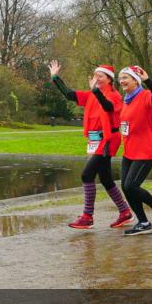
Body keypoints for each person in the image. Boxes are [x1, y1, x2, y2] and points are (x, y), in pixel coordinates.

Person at [49, 61, 132, 230]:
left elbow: (108, 107)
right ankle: (125, 212)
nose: (96, 79)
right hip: (95, 140)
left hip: (109, 139)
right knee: (106, 178)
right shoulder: (92, 95)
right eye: (95, 76)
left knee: (87, 175)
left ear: (109, 79)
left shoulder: (114, 95)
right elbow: (69, 94)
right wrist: (55, 77)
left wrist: (95, 90)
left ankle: (87, 217)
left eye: (100, 76)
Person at [95, 65, 152, 236]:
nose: (121, 81)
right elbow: (111, 110)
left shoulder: (145, 96)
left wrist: (148, 80)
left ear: (136, 81)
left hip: (145, 150)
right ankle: (143, 222)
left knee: (131, 185)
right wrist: (96, 92)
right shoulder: (126, 100)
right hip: (130, 151)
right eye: (120, 78)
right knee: (126, 187)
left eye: (125, 78)